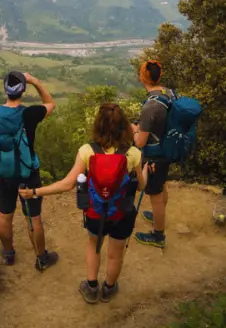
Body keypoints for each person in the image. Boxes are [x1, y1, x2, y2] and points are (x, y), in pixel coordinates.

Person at [20, 103, 149, 303]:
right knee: (116, 254)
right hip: (122, 212)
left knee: (94, 246)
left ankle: (91, 288)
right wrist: (146, 172)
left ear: (97, 125)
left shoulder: (88, 151)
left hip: (95, 212)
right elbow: (140, 186)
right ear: (124, 126)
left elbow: (67, 184)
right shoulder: (133, 153)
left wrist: (34, 192)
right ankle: (108, 289)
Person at [0, 70, 59, 272]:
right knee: (33, 218)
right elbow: (51, 104)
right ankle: (42, 258)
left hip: (0, 173)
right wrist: (34, 80)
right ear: (23, 90)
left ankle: (8, 254)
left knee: (4, 214)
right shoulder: (29, 114)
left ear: (5, 90)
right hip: (27, 174)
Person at [132, 60, 170, 249]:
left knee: (154, 194)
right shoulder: (169, 93)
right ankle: (159, 215)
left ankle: (158, 235)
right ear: (159, 76)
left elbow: (139, 142)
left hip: (155, 155)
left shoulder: (150, 107)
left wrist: (133, 130)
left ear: (142, 78)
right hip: (168, 148)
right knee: (161, 184)